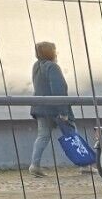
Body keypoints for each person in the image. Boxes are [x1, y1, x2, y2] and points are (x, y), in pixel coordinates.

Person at [27, 42, 73, 178]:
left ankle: (34, 165)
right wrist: (63, 112)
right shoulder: (53, 67)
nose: (56, 52)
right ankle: (85, 163)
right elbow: (58, 90)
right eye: (54, 50)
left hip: (40, 107)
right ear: (50, 52)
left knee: (43, 136)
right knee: (72, 134)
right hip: (55, 109)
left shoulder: (36, 66)